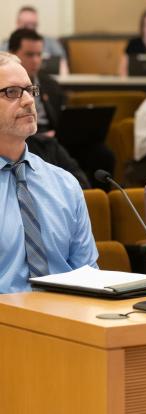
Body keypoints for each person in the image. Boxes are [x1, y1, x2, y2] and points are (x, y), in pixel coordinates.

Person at [0, 52, 97, 293]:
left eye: (29, 89)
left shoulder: (64, 184)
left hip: (65, 319)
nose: (28, 101)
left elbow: (88, 274)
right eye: (12, 92)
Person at [9, 28, 114, 187]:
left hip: (55, 137)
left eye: (39, 55)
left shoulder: (49, 83)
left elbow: (64, 115)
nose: (36, 60)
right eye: (30, 55)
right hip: (28, 136)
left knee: (101, 154)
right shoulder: (6, 86)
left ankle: (97, 202)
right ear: (12, 54)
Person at [0, 6, 69, 76]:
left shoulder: (51, 43)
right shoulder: (6, 45)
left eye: (34, 25)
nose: (30, 28)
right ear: (17, 23)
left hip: (46, 82)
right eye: (26, 25)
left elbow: (63, 67)